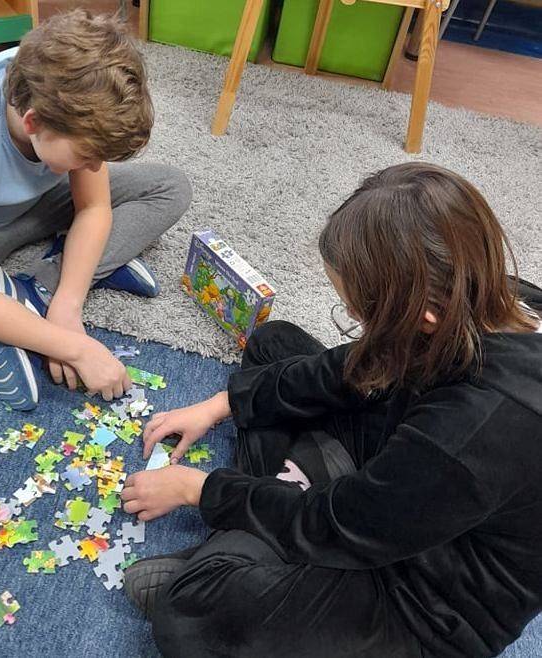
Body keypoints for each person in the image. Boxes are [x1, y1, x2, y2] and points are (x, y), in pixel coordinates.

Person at [121, 163, 542, 658]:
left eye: (363, 315)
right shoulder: (500, 295)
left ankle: (253, 543)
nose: (358, 324)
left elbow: (338, 524)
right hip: (407, 480)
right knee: (273, 345)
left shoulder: (474, 429)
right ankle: (289, 505)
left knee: (189, 610)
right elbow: (362, 363)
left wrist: (200, 489)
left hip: (427, 598)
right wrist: (221, 404)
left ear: (424, 316)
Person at [0, 10, 191, 409]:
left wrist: (67, 307)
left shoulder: (65, 84)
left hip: (36, 201)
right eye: (87, 156)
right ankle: (27, 302)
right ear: (32, 122)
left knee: (169, 187)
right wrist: (74, 347)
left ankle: (32, 292)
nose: (96, 168)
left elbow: (93, 207)